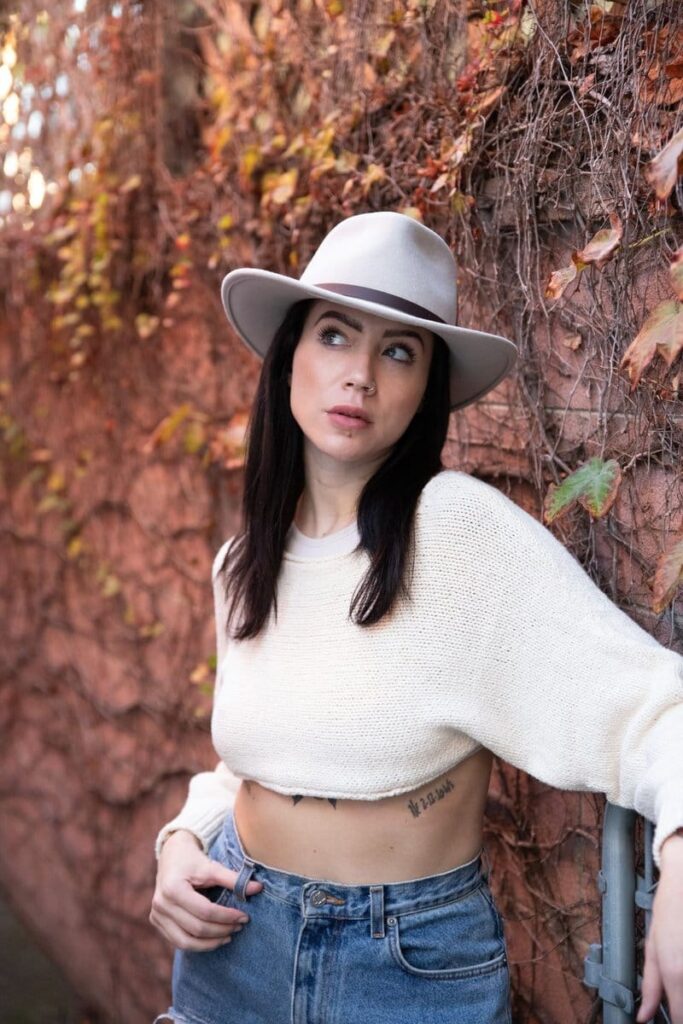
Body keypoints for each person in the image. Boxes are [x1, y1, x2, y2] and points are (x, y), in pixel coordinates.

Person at [149, 211, 683, 1024]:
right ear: (288, 354)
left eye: (397, 351)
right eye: (334, 335)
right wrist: (181, 841)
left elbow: (655, 709)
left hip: (403, 969)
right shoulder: (242, 562)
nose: (358, 374)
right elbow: (266, 759)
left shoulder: (458, 533)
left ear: (424, 390)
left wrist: (679, 858)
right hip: (231, 949)